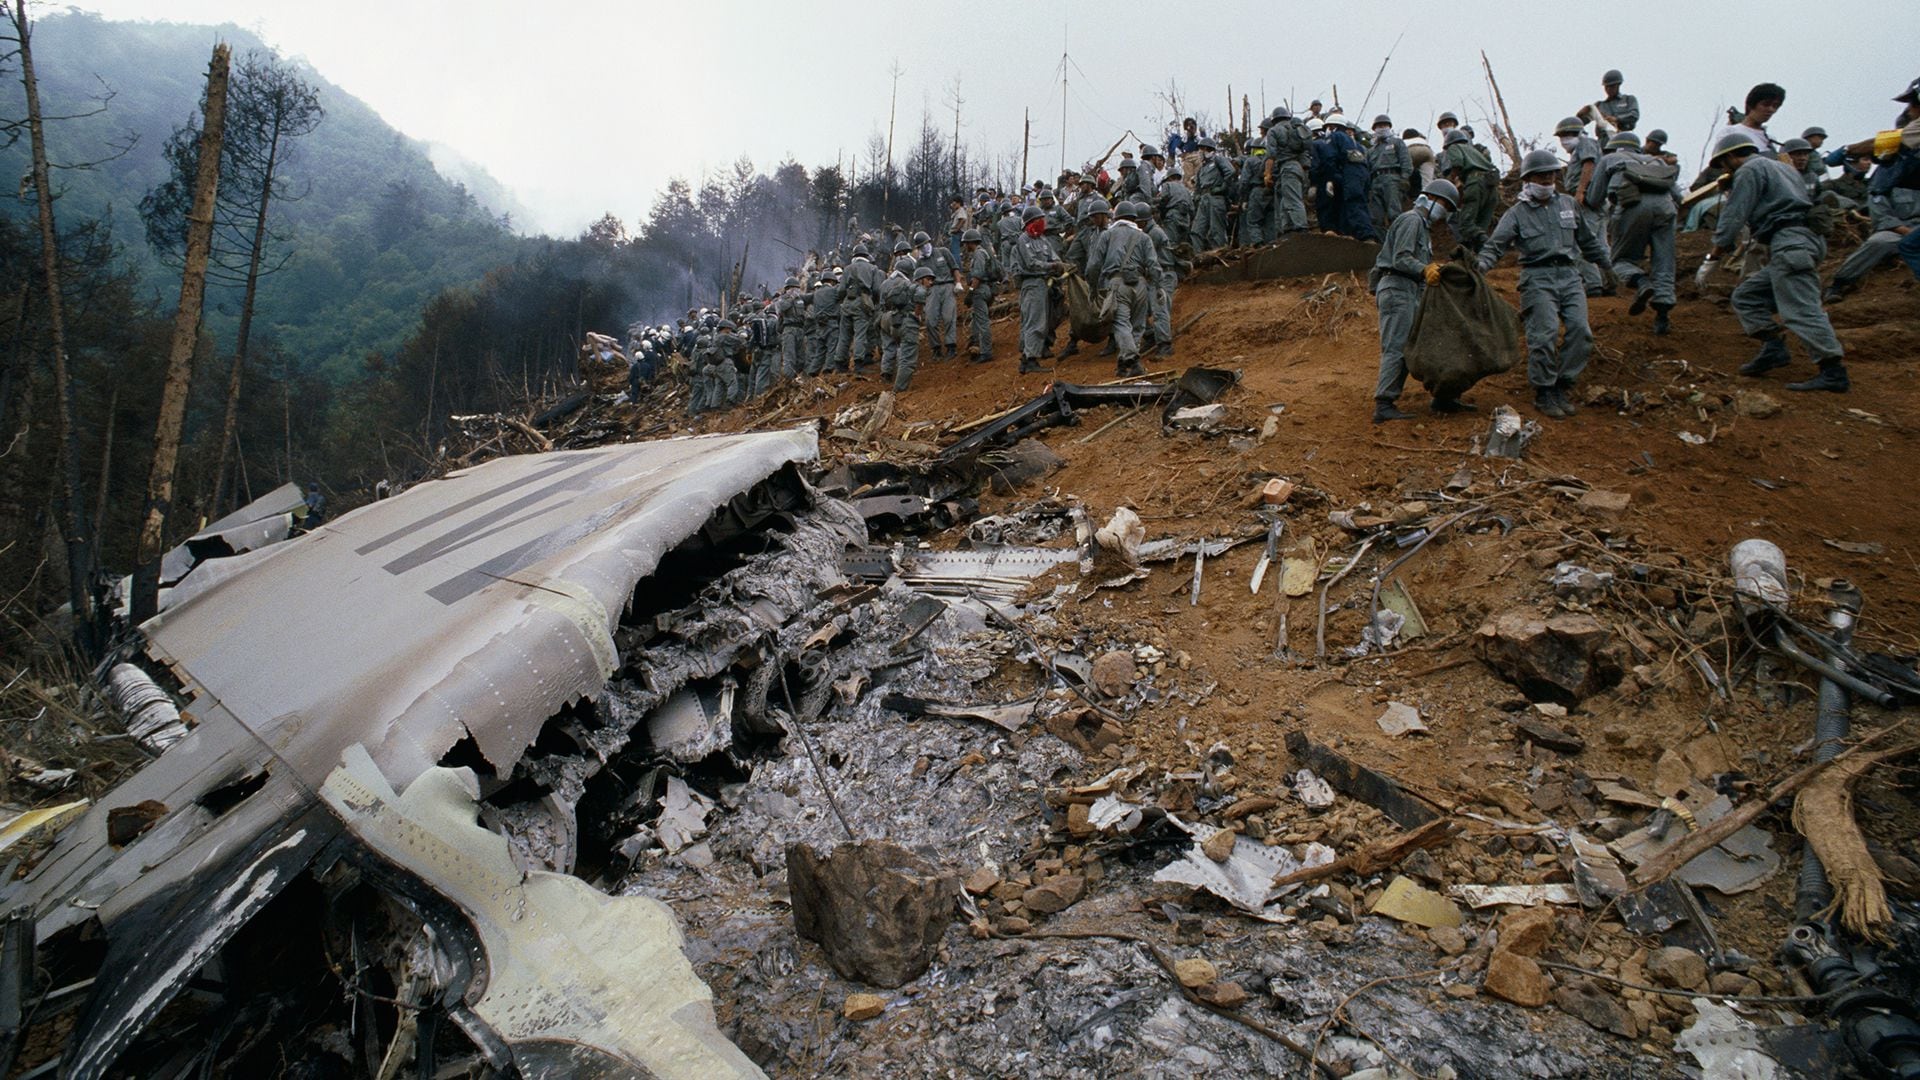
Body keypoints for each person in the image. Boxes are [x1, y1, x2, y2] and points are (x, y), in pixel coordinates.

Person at [1704, 130, 1849, 393]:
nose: (1724, 170)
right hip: (1801, 241)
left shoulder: (1749, 170)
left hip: (1791, 242)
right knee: (1746, 296)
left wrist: (1714, 254)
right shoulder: (1783, 168)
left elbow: (1735, 215)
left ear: (1731, 158)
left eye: (1723, 164)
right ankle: (1774, 348)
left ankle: (1833, 371)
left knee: (1800, 308)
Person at [1476, 149, 1614, 419]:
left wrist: (1607, 267)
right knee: (1544, 334)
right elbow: (1495, 246)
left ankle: (1563, 384)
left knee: (1580, 331)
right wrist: (1481, 266)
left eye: (1551, 174)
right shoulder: (1517, 213)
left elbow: (1587, 240)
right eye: (1541, 176)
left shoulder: (1568, 205)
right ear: (1528, 179)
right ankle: (1544, 390)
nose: (1547, 180)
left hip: (1570, 276)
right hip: (1537, 277)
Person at [1370, 179, 1462, 422]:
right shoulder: (1412, 220)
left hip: (1409, 290)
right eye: (1444, 205)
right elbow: (1401, 258)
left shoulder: (1422, 226)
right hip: (1398, 288)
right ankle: (1384, 404)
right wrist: (1425, 269)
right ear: (1430, 198)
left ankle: (1443, 397)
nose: (1445, 212)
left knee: (1425, 343)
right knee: (1398, 346)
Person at [1599, 132, 1680, 335]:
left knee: (1621, 260)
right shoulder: (1657, 162)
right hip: (1665, 208)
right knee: (1664, 261)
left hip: (1630, 207)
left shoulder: (1609, 159)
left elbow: (1594, 198)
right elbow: (1678, 195)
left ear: (1613, 148)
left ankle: (1642, 282)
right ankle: (1662, 317)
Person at [1090, 200, 1159, 377]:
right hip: (1140, 283)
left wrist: (1093, 287)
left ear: (1116, 217)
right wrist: (1156, 288)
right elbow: (1154, 266)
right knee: (1137, 325)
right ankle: (1123, 364)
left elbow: (1094, 265)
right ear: (1135, 218)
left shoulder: (1107, 235)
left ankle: (1133, 362)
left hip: (1117, 283)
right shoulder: (1144, 237)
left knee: (1121, 323)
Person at [1558, 117, 1611, 295]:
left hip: (1587, 202)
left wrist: (1580, 191)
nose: (1564, 140)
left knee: (1580, 245)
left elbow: (1589, 164)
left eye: (1568, 135)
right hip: (1596, 203)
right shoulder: (1581, 148)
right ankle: (1609, 283)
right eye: (1562, 136)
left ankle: (1593, 284)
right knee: (1601, 245)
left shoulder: (1586, 143)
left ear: (1579, 133)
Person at [1010, 205, 1063, 373]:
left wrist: (1057, 265)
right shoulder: (1023, 240)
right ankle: (1031, 359)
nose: (1042, 222)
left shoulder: (1043, 240)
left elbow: (1054, 257)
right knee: (1034, 322)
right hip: (1031, 283)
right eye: (1038, 219)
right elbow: (1031, 263)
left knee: (1038, 320)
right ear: (1030, 222)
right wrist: (1052, 265)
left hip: (1043, 284)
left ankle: (1027, 358)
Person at [1442, 128, 1499, 253]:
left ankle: (1489, 246)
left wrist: (1452, 181)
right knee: (1480, 226)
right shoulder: (1474, 151)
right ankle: (1481, 256)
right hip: (1492, 188)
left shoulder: (1454, 147)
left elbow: (1457, 163)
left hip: (1475, 183)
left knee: (1465, 225)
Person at [1264, 107, 1312, 234]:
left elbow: (1271, 155)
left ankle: (1301, 227)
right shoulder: (1295, 129)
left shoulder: (1274, 131)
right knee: (1285, 199)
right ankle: (1288, 228)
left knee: (1292, 198)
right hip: (1298, 168)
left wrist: (1267, 174)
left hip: (1287, 167)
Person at [914, 230, 959, 359]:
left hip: (947, 286)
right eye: (920, 246)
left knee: (949, 317)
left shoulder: (943, 252)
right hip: (931, 290)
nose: (923, 248)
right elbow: (917, 280)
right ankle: (936, 348)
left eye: (925, 244)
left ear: (929, 242)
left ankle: (951, 346)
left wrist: (958, 283)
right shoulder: (920, 262)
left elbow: (954, 268)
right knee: (930, 320)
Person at [1367, 115, 1413, 235]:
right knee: (1376, 216)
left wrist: (1405, 178)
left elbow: (1406, 161)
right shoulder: (1372, 150)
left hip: (1392, 179)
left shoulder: (1397, 142)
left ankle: (1398, 239)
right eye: (1379, 126)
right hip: (1375, 181)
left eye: (1384, 125)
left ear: (1389, 127)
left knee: (1394, 212)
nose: (1381, 128)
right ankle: (1381, 244)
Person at [959, 228, 999, 363]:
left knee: (982, 322)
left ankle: (986, 352)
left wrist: (970, 292)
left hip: (981, 290)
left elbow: (978, 275)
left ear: (971, 242)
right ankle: (975, 344)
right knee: (976, 319)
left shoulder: (978, 254)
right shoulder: (982, 253)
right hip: (985, 289)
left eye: (966, 243)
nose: (965, 246)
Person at [842, 243, 881, 372]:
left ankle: (840, 364)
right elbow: (876, 289)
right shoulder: (872, 268)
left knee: (844, 335)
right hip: (863, 301)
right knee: (860, 333)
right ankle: (858, 364)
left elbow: (841, 290)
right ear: (866, 255)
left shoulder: (847, 268)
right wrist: (873, 302)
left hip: (848, 302)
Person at [1192, 138, 1232, 250]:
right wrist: (1197, 197)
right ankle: (1198, 257)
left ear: (1207, 149)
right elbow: (1198, 187)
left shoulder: (1218, 160)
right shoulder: (1201, 168)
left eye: (1201, 149)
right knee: (1196, 231)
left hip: (1216, 198)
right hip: (1203, 200)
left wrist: (1222, 188)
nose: (1199, 152)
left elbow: (1231, 172)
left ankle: (1220, 255)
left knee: (1217, 230)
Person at [1238, 122, 1272, 246]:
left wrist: (1244, 199)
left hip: (1256, 192)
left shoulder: (1250, 161)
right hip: (1271, 191)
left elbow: (1244, 182)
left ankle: (1258, 245)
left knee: (1253, 221)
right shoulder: (1271, 160)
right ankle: (1271, 245)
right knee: (1270, 220)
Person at [1578, 70, 1640, 135]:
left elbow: (1634, 115)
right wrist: (1580, 115)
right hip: (1604, 140)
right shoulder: (1599, 105)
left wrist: (1617, 119)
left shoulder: (1628, 99)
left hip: (1624, 137)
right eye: (1606, 87)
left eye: (1611, 86)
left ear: (1618, 85)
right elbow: (1580, 123)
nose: (1608, 89)